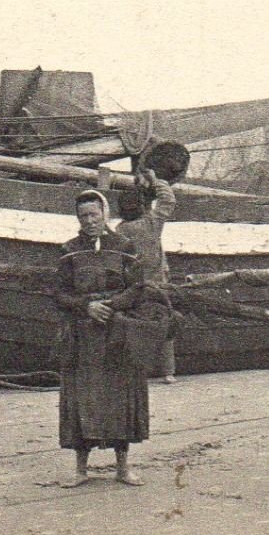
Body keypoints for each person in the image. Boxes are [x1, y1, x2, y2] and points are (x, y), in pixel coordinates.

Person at [53, 189, 154, 487]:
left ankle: (122, 468)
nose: (89, 221)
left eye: (94, 214)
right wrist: (86, 306)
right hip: (82, 337)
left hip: (118, 334)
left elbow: (138, 289)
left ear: (105, 214)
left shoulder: (124, 246)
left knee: (121, 397)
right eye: (83, 216)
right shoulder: (68, 250)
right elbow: (59, 293)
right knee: (81, 399)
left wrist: (111, 306)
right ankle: (80, 470)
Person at [115, 168, 178, 383]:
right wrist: (156, 179)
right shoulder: (151, 224)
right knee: (164, 321)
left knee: (136, 325)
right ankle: (168, 372)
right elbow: (168, 200)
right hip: (158, 283)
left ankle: (137, 369)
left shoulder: (119, 230)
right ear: (143, 207)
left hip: (133, 287)